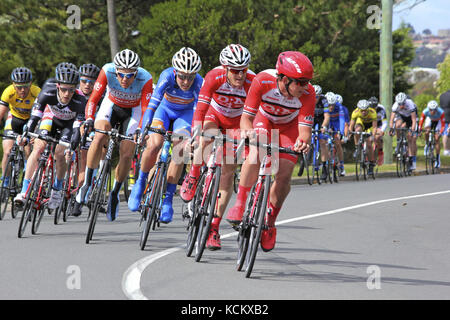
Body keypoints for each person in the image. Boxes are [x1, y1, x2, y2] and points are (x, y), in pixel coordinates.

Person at [227, 51, 315, 252]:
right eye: (300, 82)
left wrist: (303, 142)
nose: (305, 87)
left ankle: (270, 223)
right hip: (263, 120)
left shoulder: (308, 93)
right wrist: (248, 132)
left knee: (284, 175)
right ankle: (240, 204)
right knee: (256, 152)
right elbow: (246, 118)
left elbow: (304, 130)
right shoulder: (263, 81)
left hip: (289, 128)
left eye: (307, 82)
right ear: (284, 79)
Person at [179, 44, 255, 250]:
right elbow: (201, 108)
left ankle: (214, 226)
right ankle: (194, 175)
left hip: (236, 123)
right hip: (215, 115)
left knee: (228, 172)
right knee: (206, 137)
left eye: (244, 70)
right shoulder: (214, 77)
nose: (240, 75)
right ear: (226, 68)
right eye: (235, 70)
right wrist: (196, 132)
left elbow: (253, 116)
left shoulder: (251, 83)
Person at [75, 49, 153, 221]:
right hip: (111, 106)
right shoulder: (107, 70)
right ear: (115, 71)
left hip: (133, 111)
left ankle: (115, 193)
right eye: (121, 75)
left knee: (127, 153)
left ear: (136, 73)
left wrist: (141, 129)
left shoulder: (145, 78)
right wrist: (88, 119)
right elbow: (94, 99)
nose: (125, 79)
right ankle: (87, 184)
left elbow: (147, 108)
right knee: (99, 135)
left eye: (130, 75)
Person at [127, 47, 203, 223]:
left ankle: (168, 200)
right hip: (164, 111)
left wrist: (195, 137)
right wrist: (144, 128)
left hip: (184, 116)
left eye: (190, 77)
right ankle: (140, 183)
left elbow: (198, 113)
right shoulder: (167, 76)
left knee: (180, 151)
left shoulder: (199, 83)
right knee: (154, 144)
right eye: (182, 76)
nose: (186, 81)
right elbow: (152, 106)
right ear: (175, 72)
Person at [14, 68, 86, 210]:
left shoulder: (80, 100)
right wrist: (25, 135)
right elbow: (35, 118)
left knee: (60, 154)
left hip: (68, 125)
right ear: (57, 85)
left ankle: (57, 190)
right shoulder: (48, 91)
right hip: (50, 118)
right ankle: (24, 191)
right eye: (64, 89)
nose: (67, 94)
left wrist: (72, 146)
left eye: (71, 90)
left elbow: (77, 129)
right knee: (38, 148)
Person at [0, 67, 40, 187]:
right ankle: (5, 181)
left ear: (31, 84)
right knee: (7, 152)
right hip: (14, 119)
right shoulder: (8, 92)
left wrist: (37, 133)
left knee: (28, 148)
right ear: (13, 85)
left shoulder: (36, 92)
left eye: (26, 86)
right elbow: (1, 113)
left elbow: (43, 115)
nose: (22, 90)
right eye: (19, 87)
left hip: (31, 120)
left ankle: (27, 173)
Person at [388, 92, 418, 170]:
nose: (401, 106)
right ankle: (399, 141)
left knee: (410, 137)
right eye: (399, 104)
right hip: (402, 117)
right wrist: (391, 128)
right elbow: (391, 120)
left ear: (405, 101)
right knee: (398, 125)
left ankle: (411, 158)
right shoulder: (395, 105)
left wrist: (412, 129)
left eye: (403, 104)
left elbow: (414, 120)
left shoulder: (410, 103)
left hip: (411, 118)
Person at [349, 99, 378, 175]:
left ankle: (371, 163)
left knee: (369, 144)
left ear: (368, 109)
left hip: (369, 125)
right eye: (362, 111)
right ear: (359, 109)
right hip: (361, 123)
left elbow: (375, 127)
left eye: (365, 110)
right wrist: (350, 133)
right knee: (357, 130)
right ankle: (357, 147)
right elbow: (351, 125)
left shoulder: (373, 113)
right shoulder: (355, 113)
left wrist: (373, 136)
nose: (363, 112)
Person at [322, 92, 347, 176]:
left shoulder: (339, 106)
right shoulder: (323, 105)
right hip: (328, 123)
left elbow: (342, 120)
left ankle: (341, 165)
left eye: (333, 104)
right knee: (324, 143)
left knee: (337, 143)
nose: (331, 107)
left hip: (336, 124)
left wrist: (341, 132)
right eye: (329, 105)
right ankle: (325, 162)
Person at [418, 100, 446, 168]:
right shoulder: (425, 111)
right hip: (429, 119)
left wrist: (440, 133)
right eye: (431, 110)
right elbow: (421, 123)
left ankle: (437, 159)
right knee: (427, 131)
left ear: (437, 109)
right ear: (428, 109)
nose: (433, 111)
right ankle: (427, 144)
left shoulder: (441, 112)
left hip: (438, 121)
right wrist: (420, 130)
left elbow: (443, 125)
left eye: (434, 110)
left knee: (436, 139)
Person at [368, 96, 387, 165]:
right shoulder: (366, 109)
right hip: (369, 125)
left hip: (379, 125)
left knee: (377, 137)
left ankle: (380, 152)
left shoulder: (381, 109)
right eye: (371, 107)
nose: (373, 109)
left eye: (375, 107)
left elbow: (385, 122)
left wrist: (382, 131)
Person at [440, 90, 450, 155]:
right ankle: (446, 150)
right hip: (449, 115)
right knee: (447, 133)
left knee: (446, 133)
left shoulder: (442, 95)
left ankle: (447, 150)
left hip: (443, 115)